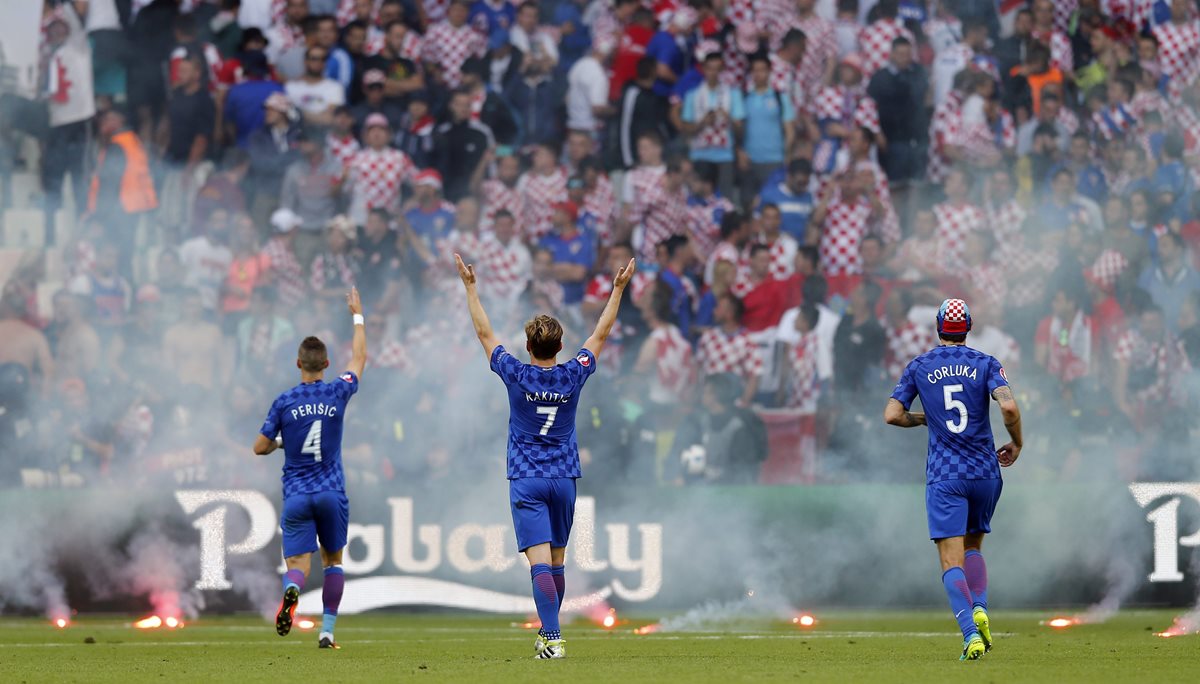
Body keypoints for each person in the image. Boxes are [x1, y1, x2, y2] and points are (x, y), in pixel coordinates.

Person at [453, 251, 636, 659]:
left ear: (527, 345)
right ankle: (548, 633)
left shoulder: (516, 373)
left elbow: (484, 334)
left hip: (527, 477)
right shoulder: (573, 373)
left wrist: (470, 287)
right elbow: (602, 333)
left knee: (539, 563)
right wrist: (619, 289)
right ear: (561, 345)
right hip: (565, 478)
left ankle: (553, 639)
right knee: (556, 562)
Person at [883, 298, 1023, 661]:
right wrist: (1018, 442)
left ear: (938, 327)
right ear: (969, 327)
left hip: (946, 475)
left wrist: (927, 419)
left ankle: (970, 635)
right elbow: (1008, 406)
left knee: (951, 562)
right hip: (986, 472)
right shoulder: (987, 363)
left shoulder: (920, 366)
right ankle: (980, 607)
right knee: (974, 547)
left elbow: (891, 415)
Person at [252, 287, 368, 650]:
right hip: (331, 491)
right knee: (333, 561)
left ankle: (291, 590)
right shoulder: (338, 391)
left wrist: (283, 442)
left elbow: (258, 447)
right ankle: (327, 632)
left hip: (298, 494)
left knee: (298, 563)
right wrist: (357, 315)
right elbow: (361, 358)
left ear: (298, 364)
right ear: (327, 364)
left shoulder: (284, 402)